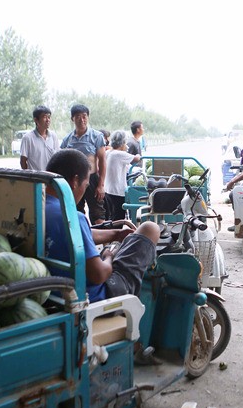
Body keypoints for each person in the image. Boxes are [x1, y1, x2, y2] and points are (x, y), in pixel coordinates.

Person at [44, 149, 158, 304]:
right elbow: (99, 274)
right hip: (91, 298)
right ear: (75, 181)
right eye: (86, 185)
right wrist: (108, 256)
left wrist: (116, 234)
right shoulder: (71, 216)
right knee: (150, 229)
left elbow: (75, 235)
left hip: (52, 295)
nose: (84, 191)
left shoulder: (36, 209)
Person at [60, 104, 107, 224]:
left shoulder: (96, 136)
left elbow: (102, 160)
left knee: (98, 214)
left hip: (92, 180)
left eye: (84, 116)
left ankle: (104, 237)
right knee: (75, 213)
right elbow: (63, 161)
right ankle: (80, 235)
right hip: (74, 181)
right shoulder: (67, 140)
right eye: (78, 117)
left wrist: (101, 185)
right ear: (72, 119)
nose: (82, 120)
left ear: (88, 117)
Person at [105, 130, 141, 221]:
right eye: (125, 143)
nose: (126, 145)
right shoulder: (119, 154)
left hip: (108, 190)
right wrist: (138, 155)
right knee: (118, 218)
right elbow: (136, 158)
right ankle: (117, 230)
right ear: (122, 143)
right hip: (117, 191)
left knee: (111, 216)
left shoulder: (108, 152)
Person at [19, 105, 58, 171]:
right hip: (36, 176)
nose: (48, 120)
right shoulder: (28, 138)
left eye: (49, 117)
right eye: (44, 117)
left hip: (51, 175)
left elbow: (57, 158)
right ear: (36, 119)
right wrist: (28, 175)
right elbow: (23, 161)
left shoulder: (53, 136)